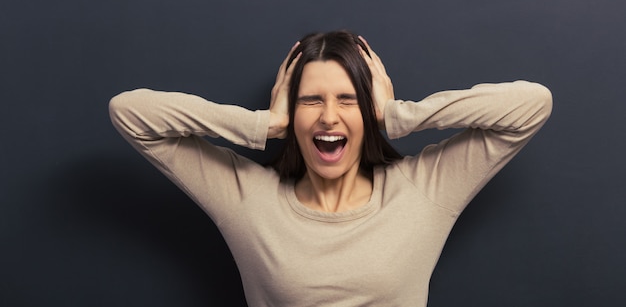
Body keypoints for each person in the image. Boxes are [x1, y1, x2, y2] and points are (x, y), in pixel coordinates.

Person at [109, 30, 552, 306]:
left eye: (347, 100)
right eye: (310, 100)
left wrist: (401, 116)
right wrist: (267, 124)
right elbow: (130, 113)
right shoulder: (247, 199)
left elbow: (531, 105)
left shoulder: (423, 191)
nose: (328, 117)